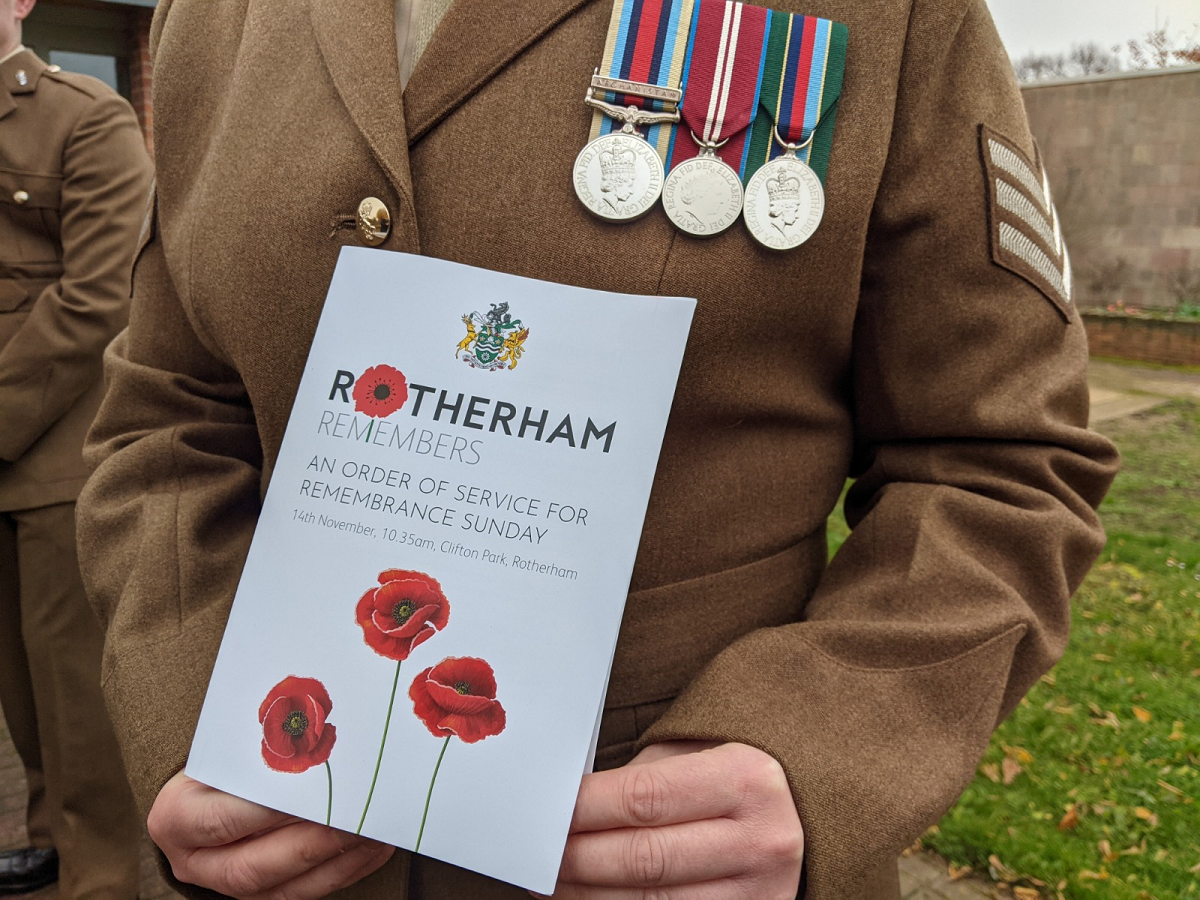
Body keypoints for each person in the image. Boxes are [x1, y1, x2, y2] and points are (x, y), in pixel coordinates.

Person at [75, 0, 1119, 898]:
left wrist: (824, 744)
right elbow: (170, 407)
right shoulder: (208, 15)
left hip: (672, 864)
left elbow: (999, 464)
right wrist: (190, 717)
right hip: (279, 847)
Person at [0, 0, 152, 895]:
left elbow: (97, 297)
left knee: (75, 696)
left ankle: (102, 877)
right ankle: (52, 837)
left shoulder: (85, 116)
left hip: (57, 455)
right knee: (20, 690)